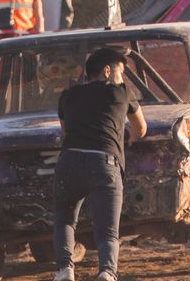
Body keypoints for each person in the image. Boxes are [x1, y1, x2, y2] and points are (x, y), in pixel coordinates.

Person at [52, 47, 147, 281]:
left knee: (65, 219)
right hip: (104, 163)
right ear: (107, 71)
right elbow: (141, 128)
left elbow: (66, 132)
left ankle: (65, 270)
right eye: (120, 72)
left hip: (69, 162)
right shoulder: (122, 93)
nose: (121, 78)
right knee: (107, 230)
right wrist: (131, 138)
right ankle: (106, 271)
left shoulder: (68, 95)